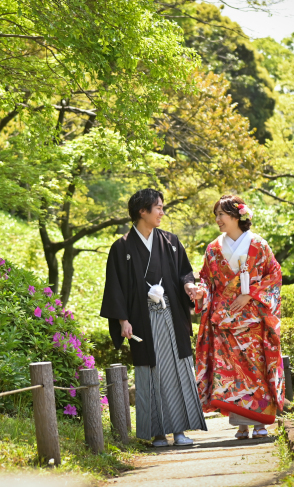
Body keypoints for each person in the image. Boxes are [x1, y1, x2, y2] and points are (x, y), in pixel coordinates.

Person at [100, 188, 207, 446]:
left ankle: (180, 430)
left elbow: (185, 272)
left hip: (169, 315)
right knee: (151, 374)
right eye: (158, 207)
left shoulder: (170, 241)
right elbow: (115, 287)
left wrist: (188, 286)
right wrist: (122, 320)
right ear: (142, 211)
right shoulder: (122, 247)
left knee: (177, 371)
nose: (162, 212)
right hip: (142, 319)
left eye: (161, 207)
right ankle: (158, 432)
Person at [190, 195, 284, 440]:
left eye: (222, 214)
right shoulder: (213, 249)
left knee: (255, 369)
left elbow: (273, 275)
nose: (218, 220)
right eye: (217, 215)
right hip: (224, 320)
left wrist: (250, 294)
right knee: (230, 372)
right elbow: (206, 279)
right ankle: (241, 425)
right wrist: (201, 291)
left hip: (252, 320)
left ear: (236, 216)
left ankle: (260, 423)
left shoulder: (259, 245)